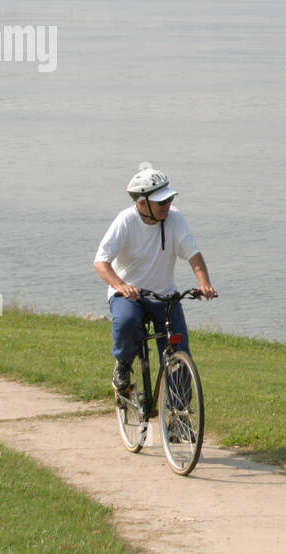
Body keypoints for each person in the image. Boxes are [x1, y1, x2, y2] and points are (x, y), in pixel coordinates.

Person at [93, 167, 217, 396]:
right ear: (141, 203)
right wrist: (120, 286)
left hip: (164, 296)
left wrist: (204, 283)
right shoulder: (125, 221)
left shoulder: (175, 218)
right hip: (130, 296)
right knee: (127, 322)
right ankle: (123, 365)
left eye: (169, 199)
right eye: (161, 202)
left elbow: (193, 255)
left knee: (179, 355)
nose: (167, 205)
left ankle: (181, 418)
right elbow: (101, 262)